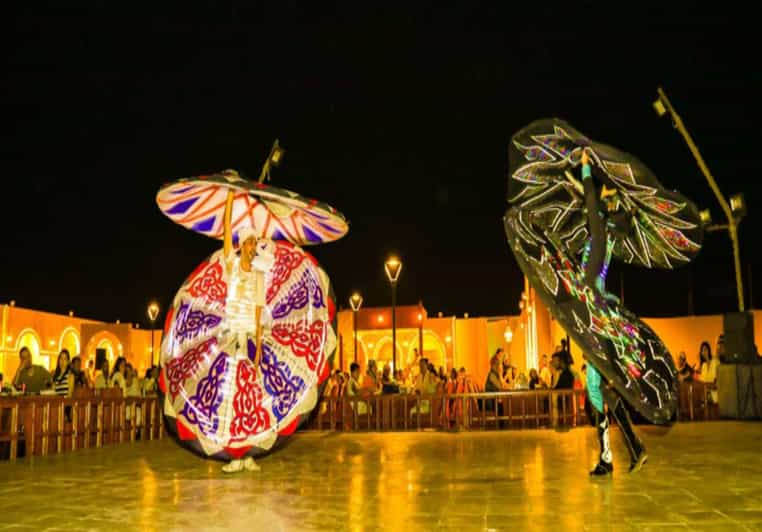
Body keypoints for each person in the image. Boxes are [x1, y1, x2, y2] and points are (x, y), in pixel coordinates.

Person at [579, 150, 647, 476]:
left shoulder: (600, 232)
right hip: (599, 313)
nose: (588, 215)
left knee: (597, 387)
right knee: (601, 386)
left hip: (597, 316)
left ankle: (613, 455)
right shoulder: (606, 238)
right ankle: (628, 448)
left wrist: (586, 169)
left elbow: (591, 200)